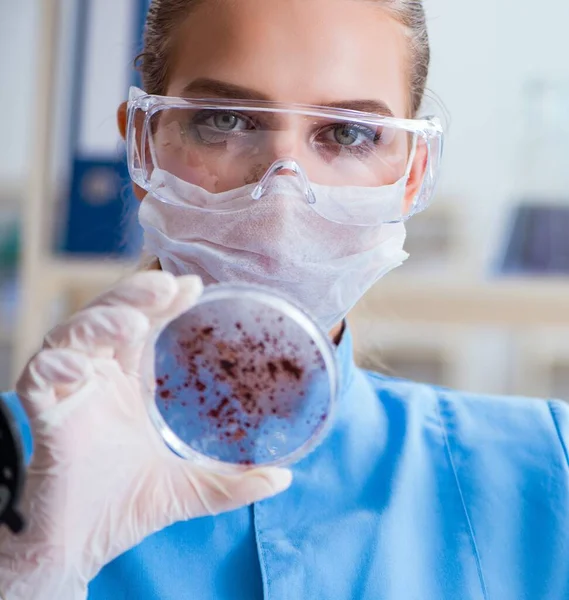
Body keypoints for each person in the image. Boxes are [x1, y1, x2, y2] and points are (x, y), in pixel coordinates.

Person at [1, 0, 568, 598]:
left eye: (349, 133)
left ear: (412, 172)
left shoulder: (547, 468)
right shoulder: (24, 469)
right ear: (143, 146)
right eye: (225, 121)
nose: (282, 192)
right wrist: (23, 574)